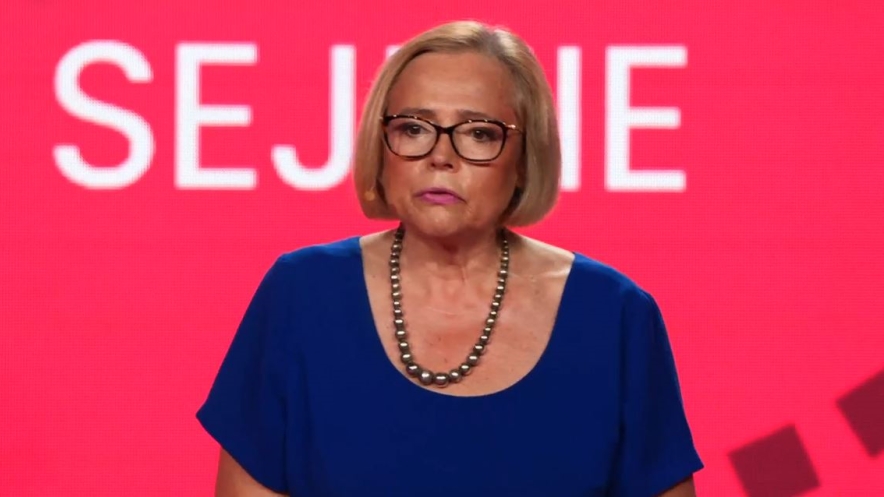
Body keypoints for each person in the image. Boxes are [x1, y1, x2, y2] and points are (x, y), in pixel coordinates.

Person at [196, 20, 704, 497]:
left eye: (479, 133)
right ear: (383, 146)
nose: (441, 156)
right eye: (414, 128)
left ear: (524, 160)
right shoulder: (302, 296)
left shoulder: (614, 315)